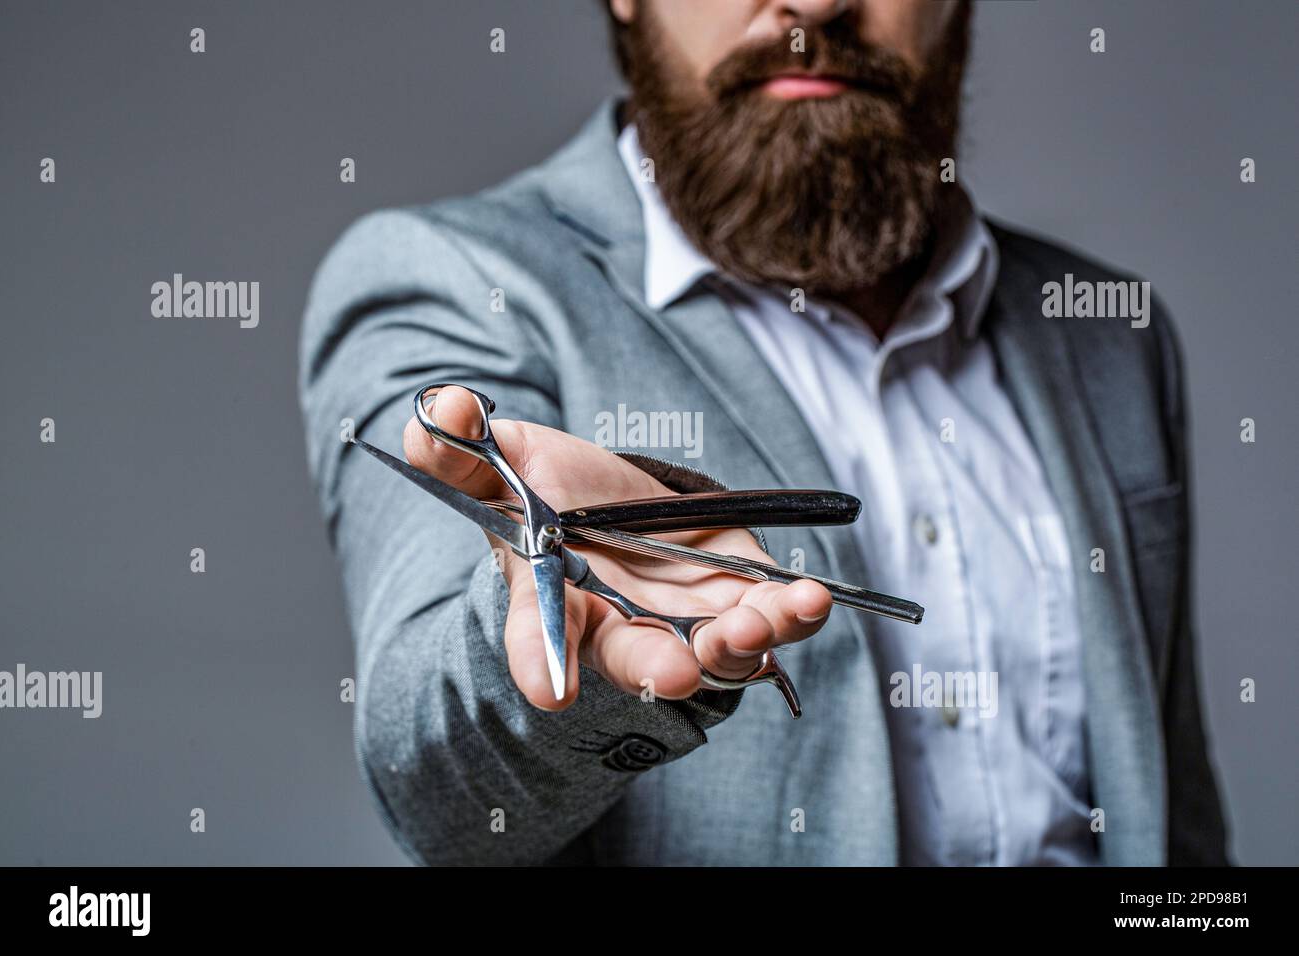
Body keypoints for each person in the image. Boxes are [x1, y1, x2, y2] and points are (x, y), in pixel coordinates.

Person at [299, 0, 1228, 865]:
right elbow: (436, 792)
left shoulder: (1109, 334)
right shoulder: (453, 283)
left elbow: (1171, 810)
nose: (815, 6)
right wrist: (574, 668)